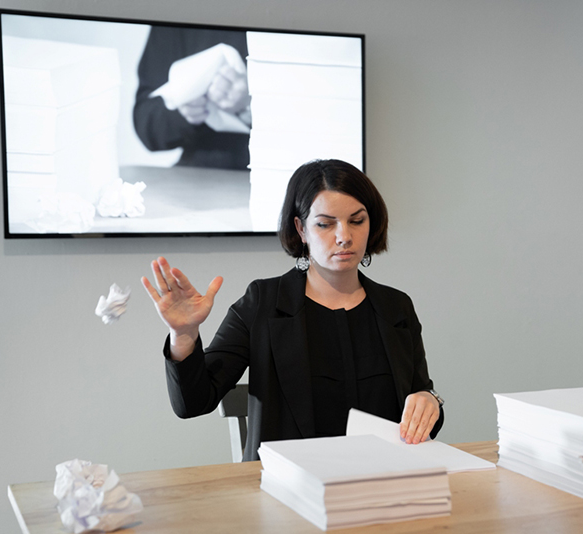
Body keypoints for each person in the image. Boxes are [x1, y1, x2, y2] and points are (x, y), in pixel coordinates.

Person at [142, 159, 444, 461]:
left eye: (357, 220)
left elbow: (420, 401)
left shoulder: (396, 307)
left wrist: (429, 401)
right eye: (325, 224)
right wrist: (183, 334)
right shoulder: (263, 303)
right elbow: (193, 403)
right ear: (301, 228)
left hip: (381, 483)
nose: (344, 236)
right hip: (287, 491)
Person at [133, 25, 250, 169]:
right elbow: (146, 123)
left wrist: (252, 105)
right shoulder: (174, 15)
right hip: (199, 170)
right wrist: (185, 110)